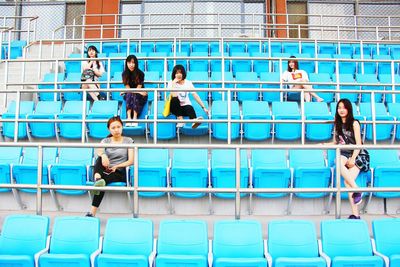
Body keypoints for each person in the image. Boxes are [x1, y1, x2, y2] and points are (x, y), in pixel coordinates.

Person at [86, 116, 134, 217]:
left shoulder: (128, 141)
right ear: (109, 129)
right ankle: (97, 178)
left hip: (119, 171)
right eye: (113, 128)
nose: (116, 130)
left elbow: (131, 161)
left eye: (118, 127)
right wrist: (103, 155)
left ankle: (92, 212)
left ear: (122, 127)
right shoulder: (106, 141)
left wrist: (116, 166)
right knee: (99, 159)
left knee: (102, 182)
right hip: (105, 169)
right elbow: (99, 150)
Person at [325, 98, 363, 219]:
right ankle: (357, 189)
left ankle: (355, 215)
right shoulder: (337, 124)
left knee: (347, 182)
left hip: (358, 155)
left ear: (348, 109)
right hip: (344, 153)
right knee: (338, 160)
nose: (341, 110)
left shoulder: (354, 123)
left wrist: (353, 158)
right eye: (339, 108)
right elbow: (336, 142)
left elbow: (359, 144)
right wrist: (322, 145)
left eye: (344, 107)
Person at [167, 64, 208, 128]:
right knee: (175, 99)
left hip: (184, 109)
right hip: (174, 108)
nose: (179, 74)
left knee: (189, 107)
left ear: (183, 73)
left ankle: (194, 121)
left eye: (180, 72)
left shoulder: (188, 83)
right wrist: (174, 83)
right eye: (177, 73)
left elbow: (195, 95)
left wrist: (203, 107)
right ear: (174, 74)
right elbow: (173, 95)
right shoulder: (171, 82)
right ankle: (180, 120)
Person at [121, 55, 147, 127]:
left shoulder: (141, 74)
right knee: (130, 94)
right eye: (129, 63)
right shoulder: (124, 74)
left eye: (133, 63)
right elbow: (128, 89)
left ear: (136, 63)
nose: (131, 65)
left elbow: (138, 88)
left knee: (133, 94)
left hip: (140, 95)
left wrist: (125, 91)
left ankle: (135, 118)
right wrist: (127, 91)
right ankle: (129, 118)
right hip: (132, 94)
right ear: (126, 63)